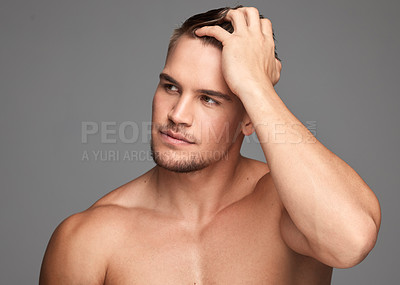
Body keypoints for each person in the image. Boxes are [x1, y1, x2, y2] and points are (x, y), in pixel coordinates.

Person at [39, 5, 381, 284]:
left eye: (209, 99)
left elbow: (352, 242)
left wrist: (255, 86)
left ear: (249, 117)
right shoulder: (88, 240)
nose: (178, 115)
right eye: (171, 87)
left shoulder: (287, 211)